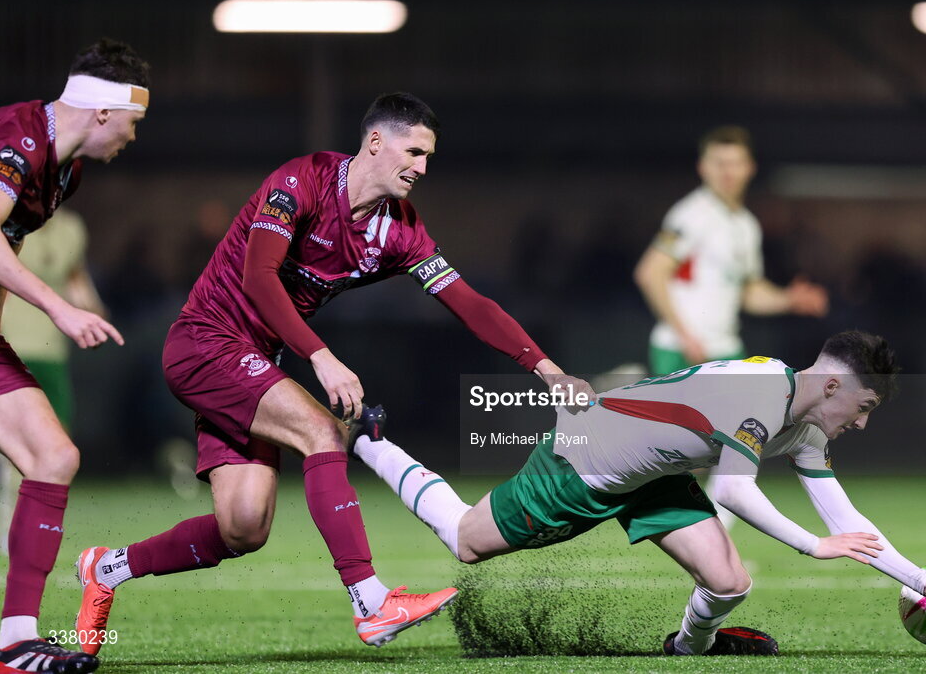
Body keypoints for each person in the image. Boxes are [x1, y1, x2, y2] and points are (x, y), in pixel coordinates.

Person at [75, 92, 593, 654]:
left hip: (256, 364)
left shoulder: (399, 232)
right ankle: (371, 601)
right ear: (375, 142)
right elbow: (259, 277)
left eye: (428, 157)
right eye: (414, 151)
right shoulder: (302, 181)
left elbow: (469, 303)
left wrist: (546, 368)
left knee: (243, 527)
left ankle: (107, 569)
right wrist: (320, 356)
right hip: (205, 343)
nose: (422, 167)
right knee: (323, 430)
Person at [346, 331, 926, 656]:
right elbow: (735, 490)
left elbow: (843, 513)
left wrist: (919, 580)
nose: (862, 423)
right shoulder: (761, 396)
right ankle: (370, 440)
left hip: (653, 473)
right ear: (834, 387)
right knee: (465, 539)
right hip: (588, 460)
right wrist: (811, 546)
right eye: (865, 406)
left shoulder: (802, 418)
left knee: (728, 580)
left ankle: (687, 650)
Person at [0, 39, 149, 673]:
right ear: (106, 114)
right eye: (134, 124)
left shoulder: (66, 169)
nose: (133, 139)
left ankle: (14, 642)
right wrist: (58, 308)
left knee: (54, 457)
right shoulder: (20, 139)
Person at [634, 125, 828, 376]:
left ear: (750, 168)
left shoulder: (746, 225)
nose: (727, 172)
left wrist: (788, 299)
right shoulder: (690, 214)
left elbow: (747, 291)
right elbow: (650, 273)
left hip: (726, 351)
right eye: (719, 163)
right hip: (682, 351)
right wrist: (685, 337)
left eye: (735, 163)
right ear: (702, 167)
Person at [0, 209, 107, 551]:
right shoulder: (8, 217)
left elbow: (76, 282)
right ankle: (9, 526)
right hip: (10, 344)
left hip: (53, 352)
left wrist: (95, 316)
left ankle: (25, 528)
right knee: (14, 446)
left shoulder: (72, 228)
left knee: (56, 445)